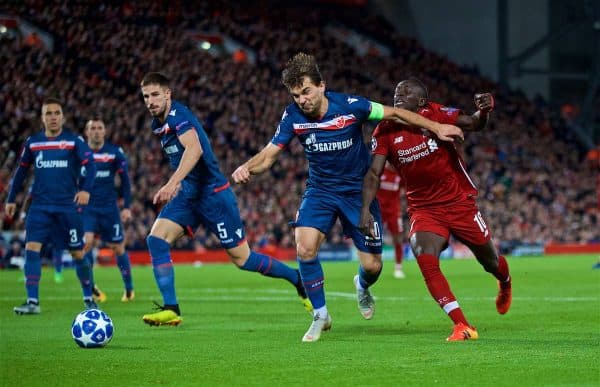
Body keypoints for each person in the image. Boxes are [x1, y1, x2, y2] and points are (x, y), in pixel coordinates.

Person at [232, 53, 463, 342]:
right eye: (295, 95)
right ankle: (320, 314)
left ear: (321, 86)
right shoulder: (292, 116)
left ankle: (362, 285)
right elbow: (269, 155)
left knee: (372, 266)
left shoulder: (352, 107)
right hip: (321, 191)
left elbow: (396, 113)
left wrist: (437, 127)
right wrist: (246, 168)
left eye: (306, 91)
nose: (301, 100)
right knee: (304, 248)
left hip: (357, 193)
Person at [139, 72, 312, 327]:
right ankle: (171, 308)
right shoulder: (161, 124)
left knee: (243, 259)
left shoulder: (179, 116)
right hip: (189, 195)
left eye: (155, 94)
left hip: (213, 196)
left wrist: (171, 183)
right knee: (156, 239)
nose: (150, 101)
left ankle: (297, 279)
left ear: (168, 94)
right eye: (146, 97)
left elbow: (194, 149)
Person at [359, 78, 512, 341]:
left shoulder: (437, 113)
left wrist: (484, 111)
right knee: (423, 254)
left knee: (490, 261)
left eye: (405, 92)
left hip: (459, 203)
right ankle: (462, 325)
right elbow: (374, 174)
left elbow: (474, 123)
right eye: (396, 91)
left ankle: (505, 283)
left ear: (421, 102)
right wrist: (365, 210)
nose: (399, 94)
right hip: (424, 209)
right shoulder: (384, 130)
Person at [5, 98, 97, 314]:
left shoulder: (74, 141)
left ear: (62, 117)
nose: (53, 117)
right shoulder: (33, 142)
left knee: (77, 253)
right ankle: (32, 302)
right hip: (40, 207)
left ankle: (88, 298)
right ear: (42, 117)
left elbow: (90, 165)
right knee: (31, 250)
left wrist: (85, 189)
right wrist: (11, 198)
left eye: (57, 113)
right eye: (49, 113)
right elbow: (21, 172)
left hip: (67, 206)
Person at [81, 118, 135, 303]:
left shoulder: (114, 153)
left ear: (104, 132)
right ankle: (90, 288)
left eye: (99, 128)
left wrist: (126, 207)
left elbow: (126, 182)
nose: (96, 131)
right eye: (92, 128)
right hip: (87, 208)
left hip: (109, 208)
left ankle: (129, 289)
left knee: (117, 247)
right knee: (86, 244)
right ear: (87, 132)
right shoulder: (79, 153)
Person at [376, 162, 406, 279]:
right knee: (375, 238)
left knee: (398, 239)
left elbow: (405, 190)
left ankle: (398, 268)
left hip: (394, 211)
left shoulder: (400, 175)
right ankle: (373, 265)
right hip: (379, 211)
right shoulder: (380, 171)